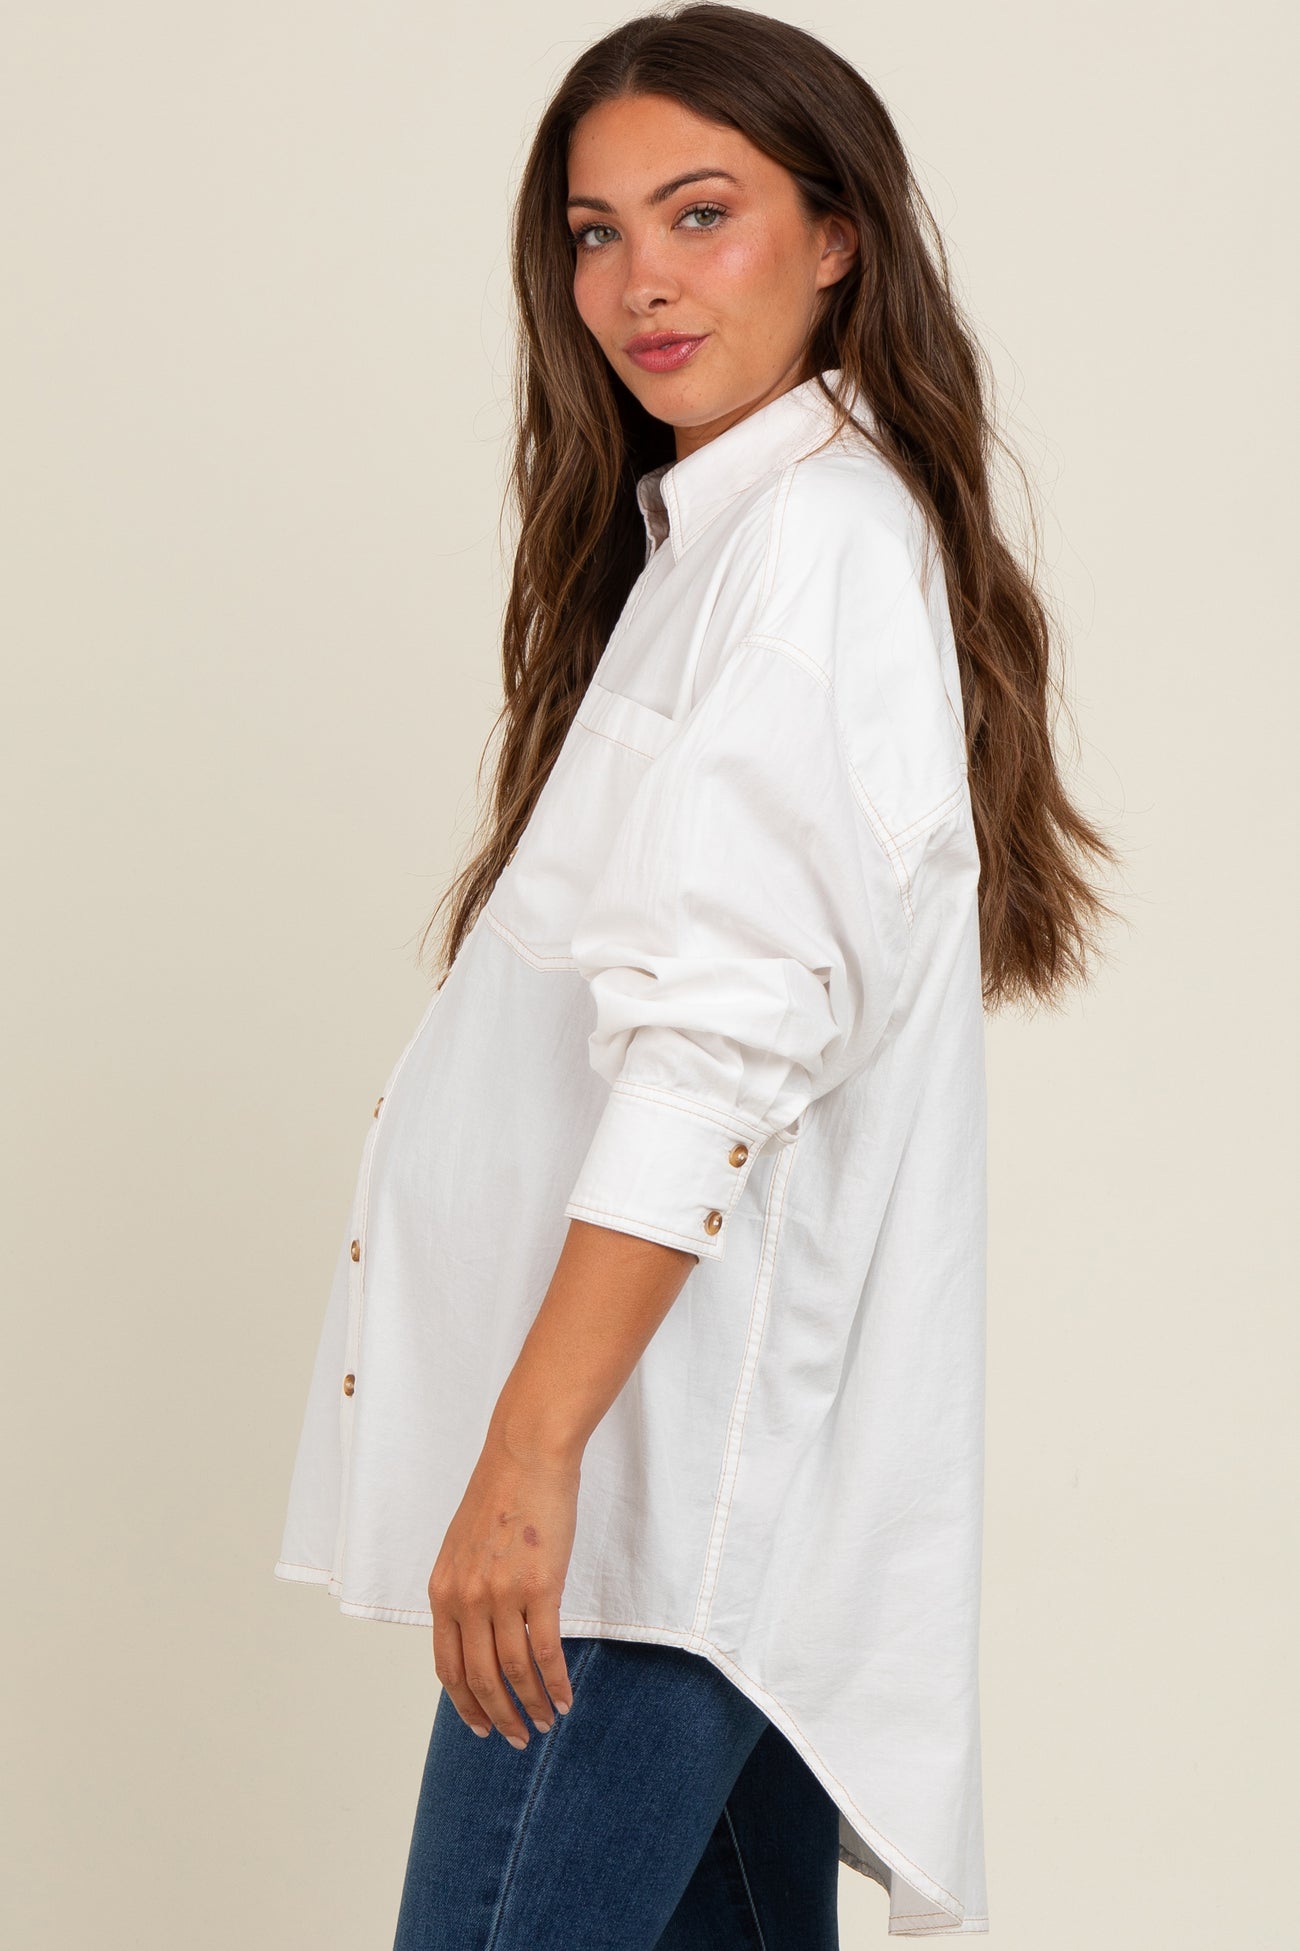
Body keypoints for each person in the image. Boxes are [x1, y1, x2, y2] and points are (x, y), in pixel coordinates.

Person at [272, 6, 1119, 1945]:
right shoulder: (731, 546)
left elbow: (712, 1057)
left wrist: (528, 1453)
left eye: (699, 213)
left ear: (837, 237)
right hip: (692, 1519)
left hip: (648, 1521)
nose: (638, 278)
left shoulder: (806, 551)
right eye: (595, 232)